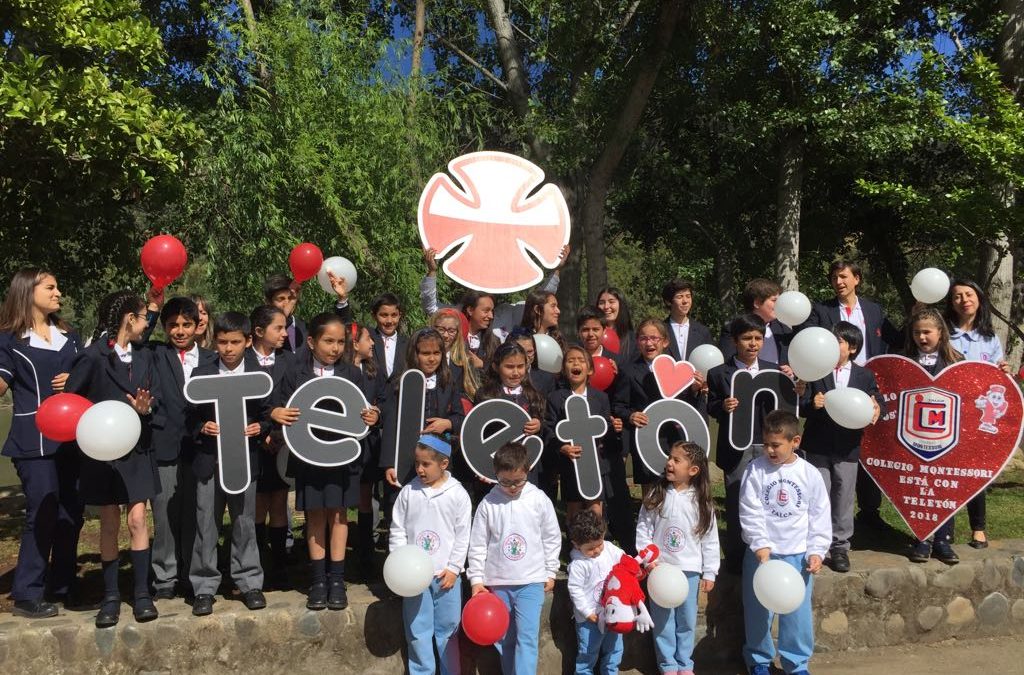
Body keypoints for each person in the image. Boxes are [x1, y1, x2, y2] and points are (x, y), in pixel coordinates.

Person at [65, 291, 161, 627]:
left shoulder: (146, 356)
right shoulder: (92, 357)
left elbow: (156, 396)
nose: (148, 322)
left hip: (137, 449)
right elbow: (71, 402)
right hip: (103, 455)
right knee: (108, 524)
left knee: (137, 521)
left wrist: (146, 408)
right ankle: (110, 597)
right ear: (129, 319)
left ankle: (142, 594)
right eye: (143, 316)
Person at [271, 313, 380, 610]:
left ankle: (337, 579)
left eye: (340, 342)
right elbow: (277, 405)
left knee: (339, 515)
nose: (334, 348)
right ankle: (317, 580)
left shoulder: (352, 374)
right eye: (328, 341)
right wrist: (275, 414)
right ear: (311, 341)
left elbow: (366, 412)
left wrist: (374, 416)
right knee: (315, 515)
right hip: (309, 457)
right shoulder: (295, 372)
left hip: (342, 458)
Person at [0, 269, 83, 619]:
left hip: (74, 439)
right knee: (44, 507)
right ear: (27, 291)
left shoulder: (71, 337)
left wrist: (76, 381)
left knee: (71, 513)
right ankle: (27, 592)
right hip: (32, 439)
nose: (58, 292)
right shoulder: (8, 339)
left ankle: (62, 586)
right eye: (50, 287)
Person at [804, 260, 901, 530]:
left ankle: (869, 513)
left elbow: (896, 338)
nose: (839, 282)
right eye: (834, 277)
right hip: (830, 381)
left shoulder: (873, 309)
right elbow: (806, 338)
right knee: (833, 452)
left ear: (856, 278)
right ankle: (822, 529)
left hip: (864, 384)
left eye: (844, 277)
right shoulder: (821, 310)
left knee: (864, 451)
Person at [188, 312, 269, 616]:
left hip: (244, 462)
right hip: (209, 461)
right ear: (214, 341)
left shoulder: (259, 375)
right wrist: (201, 428)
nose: (228, 348)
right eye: (222, 342)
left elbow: (267, 413)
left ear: (248, 341)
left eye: (235, 342)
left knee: (244, 522)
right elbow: (189, 417)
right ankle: (204, 587)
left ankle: (249, 582)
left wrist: (261, 428)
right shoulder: (201, 373)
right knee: (205, 523)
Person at [739, 410, 830, 675]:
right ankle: (758, 659)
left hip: (797, 556)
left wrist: (816, 551)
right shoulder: (756, 470)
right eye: (766, 443)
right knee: (757, 612)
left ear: (795, 441)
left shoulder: (810, 474)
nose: (769, 450)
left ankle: (797, 663)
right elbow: (750, 510)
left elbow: (819, 515)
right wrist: (760, 545)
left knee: (797, 617)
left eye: (775, 444)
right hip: (762, 555)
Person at [144, 296, 217, 600]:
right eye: (173, 325)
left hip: (203, 445)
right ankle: (164, 578)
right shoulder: (154, 353)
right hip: (165, 443)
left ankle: (196, 577)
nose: (180, 330)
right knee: (164, 515)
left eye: (186, 324)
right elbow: (137, 336)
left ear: (199, 326)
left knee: (201, 515)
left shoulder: (213, 359)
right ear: (164, 327)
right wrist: (151, 308)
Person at [467, 442, 561, 675]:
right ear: (496, 474)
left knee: (527, 638)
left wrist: (550, 572)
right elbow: (478, 544)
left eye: (517, 481)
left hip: (531, 582)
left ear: (527, 471)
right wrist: (476, 579)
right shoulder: (489, 503)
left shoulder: (538, 499)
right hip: (499, 582)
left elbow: (551, 537)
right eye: (505, 482)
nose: (511, 487)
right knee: (504, 639)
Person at [799, 322, 883, 573]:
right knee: (818, 494)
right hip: (817, 444)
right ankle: (817, 545)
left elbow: (876, 402)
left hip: (848, 447)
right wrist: (811, 403)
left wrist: (876, 408)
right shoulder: (816, 371)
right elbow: (800, 405)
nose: (832, 346)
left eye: (838, 342)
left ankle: (840, 547)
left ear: (852, 347)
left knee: (844, 496)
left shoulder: (864, 375)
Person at [389, 435, 471, 675]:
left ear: (443, 464)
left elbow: (462, 535)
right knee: (417, 630)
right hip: (415, 578)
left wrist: (455, 568)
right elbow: (398, 529)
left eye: (426, 464)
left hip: (445, 577)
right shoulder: (409, 492)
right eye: (417, 463)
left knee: (448, 631)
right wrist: (400, 564)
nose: (420, 469)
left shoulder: (458, 494)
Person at [637, 441, 720, 675]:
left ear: (693, 470)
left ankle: (684, 664)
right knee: (663, 621)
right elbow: (643, 529)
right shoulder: (657, 494)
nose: (669, 463)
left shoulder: (701, 502)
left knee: (686, 620)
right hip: (660, 571)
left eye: (676, 460)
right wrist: (647, 559)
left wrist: (710, 571)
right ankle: (668, 665)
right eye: (669, 458)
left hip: (689, 571)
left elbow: (710, 539)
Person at [707, 314, 779, 574]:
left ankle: (769, 551)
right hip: (735, 446)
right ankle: (737, 555)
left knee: (768, 499)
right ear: (735, 341)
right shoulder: (718, 373)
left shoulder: (773, 370)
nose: (753, 344)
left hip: (766, 444)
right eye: (747, 338)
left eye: (758, 338)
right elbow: (711, 405)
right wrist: (722, 406)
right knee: (737, 499)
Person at [944, 279, 1012, 549]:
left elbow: (997, 380)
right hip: (949, 413)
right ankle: (941, 529)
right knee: (946, 471)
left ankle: (979, 528)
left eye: (968, 294)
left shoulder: (989, 337)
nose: (963, 300)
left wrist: (1004, 372)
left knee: (976, 470)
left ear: (979, 299)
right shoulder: (945, 335)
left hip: (979, 418)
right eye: (957, 296)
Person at [614, 319, 704, 491]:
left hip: (674, 437)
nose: (649, 343)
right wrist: (631, 416)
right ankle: (649, 517)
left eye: (654, 338)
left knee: (676, 484)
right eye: (643, 338)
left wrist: (695, 389)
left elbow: (689, 406)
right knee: (650, 489)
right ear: (637, 342)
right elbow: (618, 406)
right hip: (646, 438)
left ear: (665, 341)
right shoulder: (628, 371)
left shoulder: (679, 369)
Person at [905, 308, 963, 565]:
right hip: (915, 436)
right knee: (919, 489)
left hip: (945, 437)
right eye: (917, 332)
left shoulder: (956, 361)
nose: (922, 337)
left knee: (942, 489)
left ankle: (943, 539)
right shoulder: (905, 361)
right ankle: (921, 538)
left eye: (927, 332)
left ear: (940, 332)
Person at [419, 246, 569, 345]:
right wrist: (432, 271)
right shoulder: (457, 316)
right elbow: (431, 307)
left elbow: (540, 302)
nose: (490, 316)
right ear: (471, 310)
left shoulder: (508, 312)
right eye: (485, 311)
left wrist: (556, 269)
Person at [545, 345, 622, 525]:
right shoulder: (555, 398)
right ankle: (574, 545)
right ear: (564, 369)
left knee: (595, 506)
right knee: (574, 507)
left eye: (581, 360)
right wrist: (562, 447)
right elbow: (549, 428)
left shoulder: (600, 398)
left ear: (590, 370)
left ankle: (596, 545)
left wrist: (614, 428)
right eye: (570, 361)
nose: (576, 364)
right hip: (570, 464)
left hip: (596, 463)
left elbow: (604, 427)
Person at [248, 305, 294, 590]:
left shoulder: (289, 360)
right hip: (252, 443)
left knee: (279, 502)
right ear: (258, 331)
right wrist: (263, 429)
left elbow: (293, 397)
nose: (283, 333)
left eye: (285, 327)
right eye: (278, 328)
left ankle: (279, 566)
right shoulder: (243, 361)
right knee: (256, 506)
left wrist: (278, 434)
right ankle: (255, 565)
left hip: (282, 442)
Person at [473, 342, 546, 484]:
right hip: (497, 465)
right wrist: (482, 467)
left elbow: (546, 426)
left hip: (527, 466)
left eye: (520, 366)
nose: (516, 372)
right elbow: (477, 432)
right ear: (496, 367)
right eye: (509, 367)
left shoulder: (534, 395)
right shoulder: (486, 395)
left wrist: (539, 425)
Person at [566, 510, 625, 675]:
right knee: (588, 652)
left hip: (613, 614)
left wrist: (633, 567)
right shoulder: (578, 564)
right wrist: (587, 612)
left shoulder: (609, 549)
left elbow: (624, 560)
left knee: (615, 649)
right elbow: (575, 590)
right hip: (589, 619)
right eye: (590, 549)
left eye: (599, 544)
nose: (597, 550)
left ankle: (611, 672)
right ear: (577, 545)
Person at [720, 279, 792, 367]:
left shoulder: (783, 330)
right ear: (757, 303)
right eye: (774, 300)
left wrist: (791, 371)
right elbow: (727, 364)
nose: (779, 304)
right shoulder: (733, 329)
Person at [430, 307, 481, 399]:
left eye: (451, 331)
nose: (445, 335)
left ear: (457, 333)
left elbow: (469, 393)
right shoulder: (422, 357)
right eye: (441, 329)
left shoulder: (464, 361)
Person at [661, 279, 714, 362]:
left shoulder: (703, 332)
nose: (685, 301)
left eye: (688, 296)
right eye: (679, 297)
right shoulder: (660, 331)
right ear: (668, 302)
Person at [369, 293, 407, 384]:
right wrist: (342, 299)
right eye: (384, 315)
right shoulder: (368, 339)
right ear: (374, 316)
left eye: (394, 315)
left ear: (399, 315)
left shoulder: (408, 344)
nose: (389, 321)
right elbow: (347, 330)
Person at [594, 286, 635, 363]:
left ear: (621, 305)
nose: (606, 306)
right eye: (602, 303)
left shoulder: (633, 340)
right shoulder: (590, 337)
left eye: (611, 302)